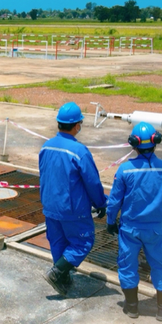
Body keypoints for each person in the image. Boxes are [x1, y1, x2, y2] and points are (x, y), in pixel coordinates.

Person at [106, 122, 162, 321]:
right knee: (160, 266)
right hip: (155, 229)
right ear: (156, 141)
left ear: (133, 144)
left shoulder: (125, 170)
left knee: (127, 265)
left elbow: (114, 201)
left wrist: (111, 221)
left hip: (130, 229)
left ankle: (131, 307)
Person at [39, 102, 108, 296]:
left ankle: (62, 277)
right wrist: (100, 203)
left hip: (50, 205)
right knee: (82, 242)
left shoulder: (46, 146)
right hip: (72, 208)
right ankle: (56, 273)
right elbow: (92, 182)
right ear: (77, 125)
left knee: (58, 242)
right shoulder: (79, 151)